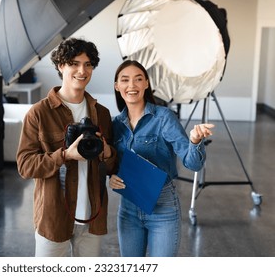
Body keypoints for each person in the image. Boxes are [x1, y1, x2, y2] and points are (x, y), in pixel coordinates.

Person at [16, 38, 117, 257]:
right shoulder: (39, 113)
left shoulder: (102, 114)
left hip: (92, 216)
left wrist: (108, 153)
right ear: (61, 66)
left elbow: (111, 166)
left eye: (88, 64)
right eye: (74, 63)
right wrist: (64, 155)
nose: (82, 70)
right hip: (53, 217)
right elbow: (25, 166)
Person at [109, 60, 214, 257]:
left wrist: (195, 141)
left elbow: (193, 163)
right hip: (129, 209)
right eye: (125, 80)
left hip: (163, 208)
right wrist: (111, 175)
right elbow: (111, 162)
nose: (132, 85)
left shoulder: (164, 117)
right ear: (117, 86)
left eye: (138, 79)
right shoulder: (115, 124)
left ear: (146, 84)